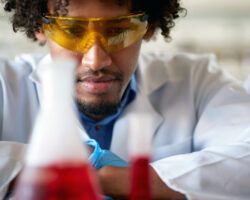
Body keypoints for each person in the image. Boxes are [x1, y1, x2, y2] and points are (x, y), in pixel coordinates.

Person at [0, 0, 250, 199]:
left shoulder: (195, 80)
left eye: (118, 31)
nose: (96, 60)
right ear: (39, 27)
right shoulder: (5, 83)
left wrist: (99, 179)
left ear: (148, 26)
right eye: (72, 30)